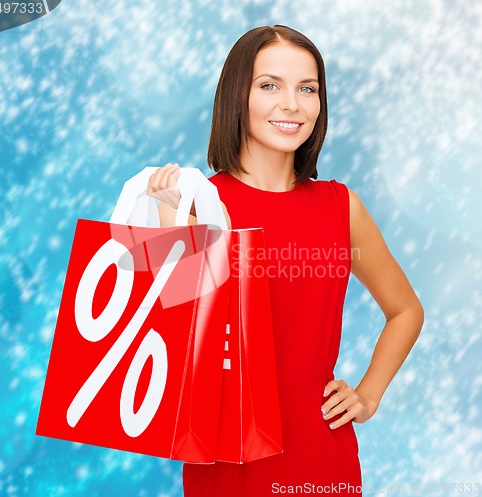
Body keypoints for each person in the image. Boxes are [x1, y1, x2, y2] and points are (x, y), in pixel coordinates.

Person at [146, 25, 424, 497]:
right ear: (238, 95)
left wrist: (368, 393)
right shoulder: (195, 202)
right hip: (228, 459)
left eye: (307, 88)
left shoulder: (341, 206)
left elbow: (406, 311)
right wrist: (167, 221)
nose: (292, 104)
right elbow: (171, 348)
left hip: (323, 456)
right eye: (269, 85)